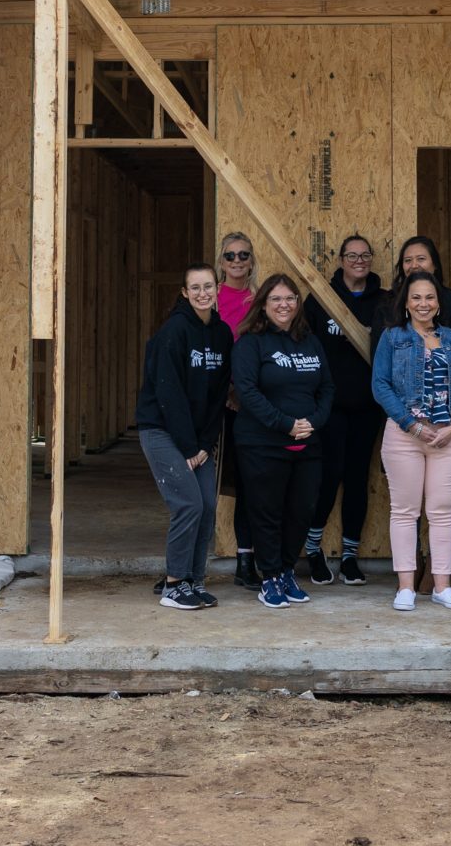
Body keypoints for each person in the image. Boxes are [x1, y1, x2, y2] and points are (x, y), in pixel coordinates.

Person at [370, 270, 451, 611]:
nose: (423, 303)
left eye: (429, 297)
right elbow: (380, 385)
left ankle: (442, 586)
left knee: (443, 511)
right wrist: (411, 425)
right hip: (404, 435)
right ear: (406, 302)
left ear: (438, 302)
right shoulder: (392, 338)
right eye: (416, 297)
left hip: (447, 435)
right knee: (404, 511)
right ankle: (405, 587)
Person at [132, 264, 234, 610]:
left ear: (217, 289)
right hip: (162, 430)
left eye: (208, 286)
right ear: (185, 293)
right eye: (195, 288)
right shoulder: (174, 331)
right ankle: (174, 584)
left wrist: (205, 444)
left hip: (197, 440)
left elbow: (218, 395)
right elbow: (168, 392)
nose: (203, 293)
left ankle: (193, 579)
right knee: (187, 503)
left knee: (206, 505)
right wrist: (189, 446)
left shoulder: (221, 334)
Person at [231, 273, 334, 610]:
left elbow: (327, 388)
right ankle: (270, 576)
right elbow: (247, 392)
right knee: (267, 512)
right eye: (275, 299)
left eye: (290, 298)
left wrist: (312, 423)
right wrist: (285, 424)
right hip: (262, 444)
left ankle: (288, 571)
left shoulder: (310, 341)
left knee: (301, 511)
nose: (283, 305)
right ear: (263, 304)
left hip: (308, 444)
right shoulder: (250, 343)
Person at [301, 235, 390, 586]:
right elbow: (303, 346)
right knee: (327, 475)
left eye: (365, 255)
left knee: (357, 479)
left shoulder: (384, 302)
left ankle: (350, 557)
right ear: (340, 260)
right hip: (329, 407)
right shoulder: (320, 300)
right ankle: (312, 549)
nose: (359, 261)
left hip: (368, 407)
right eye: (352, 255)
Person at [214, 232, 260, 589]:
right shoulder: (209, 298)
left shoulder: (261, 299)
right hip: (218, 402)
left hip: (253, 402)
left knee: (250, 484)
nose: (237, 261)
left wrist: (246, 393)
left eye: (243, 254)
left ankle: (247, 560)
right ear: (222, 261)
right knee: (207, 483)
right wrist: (227, 391)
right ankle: (187, 564)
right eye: (230, 256)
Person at [396, 235, 451, 365]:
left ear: (435, 264)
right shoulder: (388, 303)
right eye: (408, 260)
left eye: (421, 259)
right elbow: (380, 368)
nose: (414, 265)